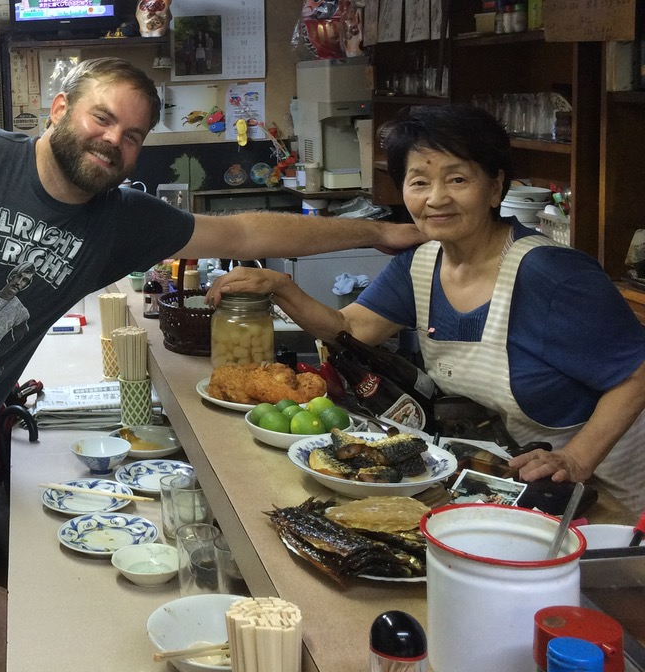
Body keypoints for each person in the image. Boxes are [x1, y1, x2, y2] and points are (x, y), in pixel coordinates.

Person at [0, 57, 426, 659]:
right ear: (58, 109)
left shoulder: (117, 223)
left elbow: (244, 232)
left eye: (131, 137)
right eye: (100, 119)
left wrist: (378, 231)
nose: (112, 141)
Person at [210, 105, 645, 510]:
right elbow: (349, 327)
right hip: (534, 482)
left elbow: (637, 373)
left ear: (495, 187)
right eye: (419, 181)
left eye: (457, 179)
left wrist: (577, 458)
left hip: (613, 487)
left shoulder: (549, 273)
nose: (436, 198)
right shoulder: (422, 264)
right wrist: (281, 287)